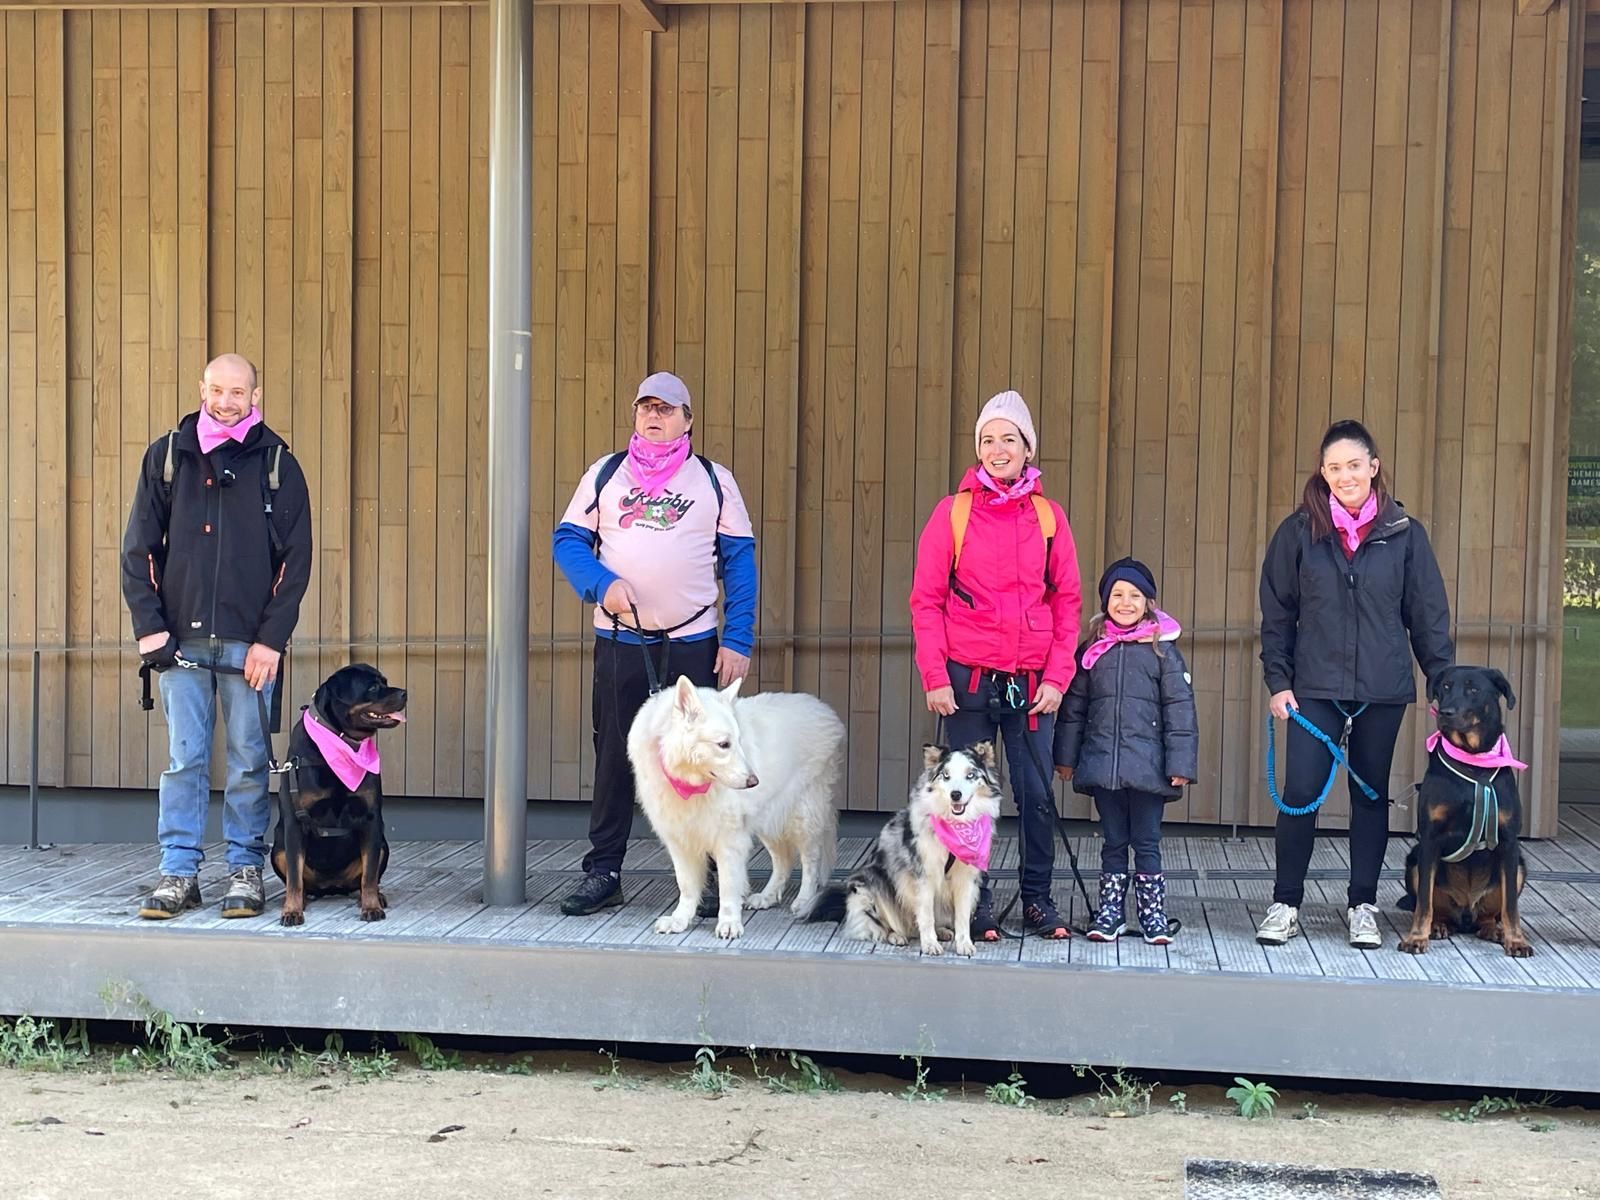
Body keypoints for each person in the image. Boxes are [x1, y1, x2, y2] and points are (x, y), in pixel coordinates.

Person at [552, 370, 758, 915]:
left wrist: (737, 638)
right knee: (618, 755)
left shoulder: (714, 481)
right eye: (646, 406)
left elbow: (739, 562)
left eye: (666, 408)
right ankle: (605, 871)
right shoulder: (605, 475)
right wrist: (601, 584)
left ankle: (709, 879)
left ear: (687, 420)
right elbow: (568, 540)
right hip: (622, 641)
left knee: (705, 758)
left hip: (694, 642)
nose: (653, 415)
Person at [121, 353, 313, 920]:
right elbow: (139, 552)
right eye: (216, 390)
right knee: (184, 760)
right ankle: (179, 874)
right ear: (201, 389)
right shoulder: (167, 458)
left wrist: (270, 641)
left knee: (251, 761)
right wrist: (150, 629)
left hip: (249, 646)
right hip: (179, 642)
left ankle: (245, 869)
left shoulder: (278, 464)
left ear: (255, 396)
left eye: (237, 392)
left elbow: (295, 563)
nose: (226, 402)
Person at [1257, 418, 1454, 949]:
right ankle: (1285, 902)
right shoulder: (1298, 533)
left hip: (1381, 690)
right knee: (1299, 795)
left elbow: (1428, 615)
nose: (1344, 476)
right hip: (1313, 688)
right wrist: (1278, 681)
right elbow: (1277, 614)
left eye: (1353, 465)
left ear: (1374, 467)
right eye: (1333, 467)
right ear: (1322, 473)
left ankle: (1361, 904)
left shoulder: (1405, 535)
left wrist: (1442, 685)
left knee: (1369, 798)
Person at [909, 389, 1083, 940]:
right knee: (962, 799)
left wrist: (1058, 677)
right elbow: (926, 600)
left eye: (1009, 438)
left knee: (1035, 795)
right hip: (966, 682)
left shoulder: (1049, 518)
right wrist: (935, 677)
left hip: (1032, 685)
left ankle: (1037, 900)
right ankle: (972, 906)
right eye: (988, 439)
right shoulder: (953, 512)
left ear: (1027, 448)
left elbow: (1068, 602)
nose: (997, 448)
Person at [1054, 557, 1197, 944]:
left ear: (1149, 603)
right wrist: (1065, 758)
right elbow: (1074, 709)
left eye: (1135, 595)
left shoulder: (1163, 651)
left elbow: (1180, 711)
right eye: (1117, 594)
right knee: (1113, 841)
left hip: (1150, 770)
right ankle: (1111, 914)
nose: (1126, 602)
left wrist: (1180, 764)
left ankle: (1152, 916)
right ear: (1105, 602)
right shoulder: (1093, 651)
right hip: (1105, 767)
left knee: (1146, 842)